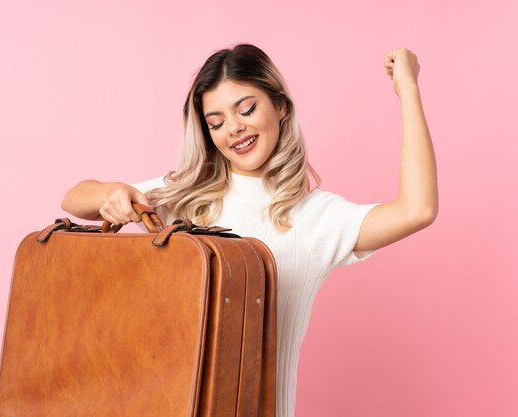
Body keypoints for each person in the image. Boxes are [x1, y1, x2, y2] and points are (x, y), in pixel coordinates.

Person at [61, 43, 438, 417]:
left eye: (246, 109)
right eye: (216, 122)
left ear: (280, 106)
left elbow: (416, 210)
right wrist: (112, 193)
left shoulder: (314, 217)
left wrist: (408, 89)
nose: (235, 129)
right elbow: (74, 199)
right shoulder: (183, 197)